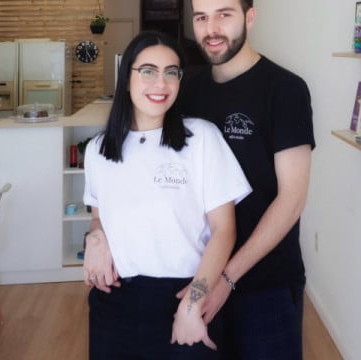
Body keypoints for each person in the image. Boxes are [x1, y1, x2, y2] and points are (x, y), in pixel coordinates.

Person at [82, 31, 251, 360]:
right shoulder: (97, 151)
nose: (161, 84)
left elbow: (224, 230)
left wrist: (193, 303)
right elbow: (99, 215)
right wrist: (95, 237)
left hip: (183, 295)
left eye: (171, 72)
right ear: (126, 77)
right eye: (148, 71)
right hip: (113, 304)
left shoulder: (201, 138)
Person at [179, 0, 315, 359]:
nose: (212, 28)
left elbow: (291, 199)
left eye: (225, 14)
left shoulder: (285, 90)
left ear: (249, 17)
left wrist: (226, 279)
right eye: (202, 17)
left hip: (265, 284)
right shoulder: (188, 91)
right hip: (199, 278)